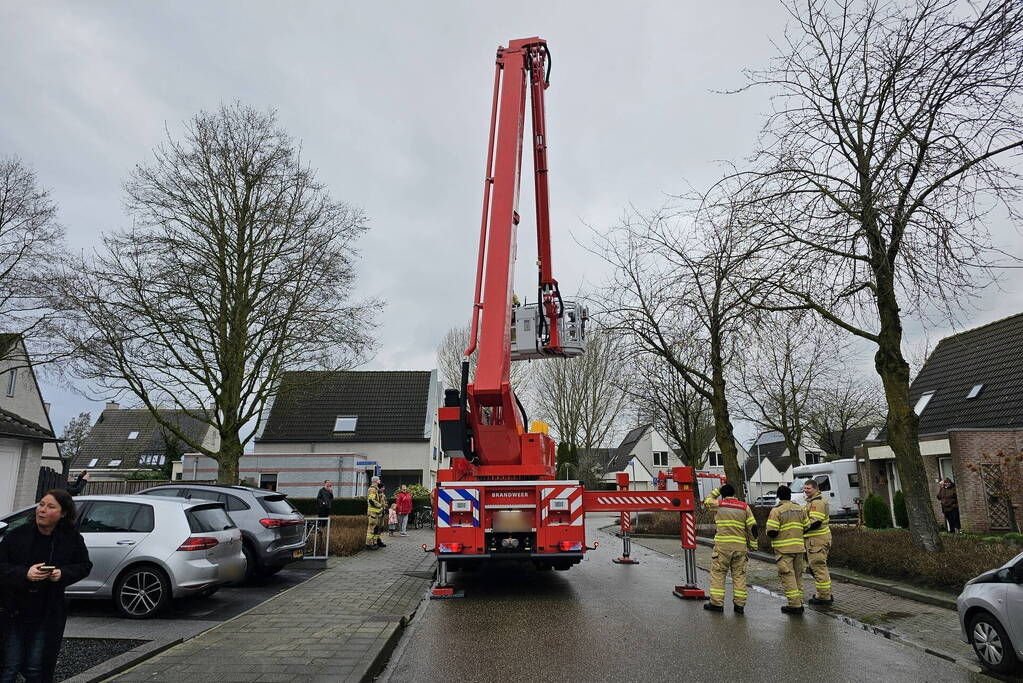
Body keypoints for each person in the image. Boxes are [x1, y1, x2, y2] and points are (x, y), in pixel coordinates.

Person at [0, 489, 92, 682]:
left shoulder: (71, 537)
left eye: (50, 507)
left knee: (36, 666)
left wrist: (62, 574)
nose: (42, 510)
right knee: (10, 664)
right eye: (41, 504)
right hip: (13, 609)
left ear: (63, 513)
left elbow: (84, 566)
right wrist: (25, 573)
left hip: (47, 610)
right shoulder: (16, 535)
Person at [701, 483, 757, 615]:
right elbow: (752, 528)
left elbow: (706, 501)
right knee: (739, 576)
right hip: (740, 547)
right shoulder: (745, 507)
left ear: (723, 494)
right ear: (734, 494)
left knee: (718, 574)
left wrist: (716, 490)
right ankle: (739, 606)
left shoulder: (719, 504)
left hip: (722, 547)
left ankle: (716, 603)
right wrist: (753, 545)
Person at [766, 485, 811, 615]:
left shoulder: (776, 511)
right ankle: (800, 601)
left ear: (778, 496)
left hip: (784, 550)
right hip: (799, 548)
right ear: (790, 495)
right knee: (798, 576)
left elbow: (772, 531)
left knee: (787, 576)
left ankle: (794, 604)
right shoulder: (799, 509)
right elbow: (807, 526)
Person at [803, 479, 833, 605]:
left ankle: (824, 597)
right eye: (804, 488)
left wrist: (801, 528)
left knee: (818, 567)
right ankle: (824, 593)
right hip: (816, 540)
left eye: (808, 488)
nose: (805, 490)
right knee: (817, 567)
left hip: (817, 540)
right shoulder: (812, 502)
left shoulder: (817, 503)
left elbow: (815, 522)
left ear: (816, 488)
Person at [365, 476, 385, 550]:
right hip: (373, 513)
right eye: (379, 479)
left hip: (376, 513)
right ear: (376, 481)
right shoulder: (372, 490)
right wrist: (380, 506)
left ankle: (373, 543)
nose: (380, 480)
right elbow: (371, 500)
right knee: (371, 529)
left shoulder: (376, 490)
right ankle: (369, 544)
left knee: (375, 529)